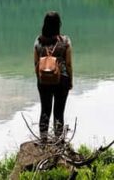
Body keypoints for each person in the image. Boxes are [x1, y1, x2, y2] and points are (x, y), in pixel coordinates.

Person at [33, 11, 73, 140]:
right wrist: (70, 81)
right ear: (58, 25)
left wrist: (40, 79)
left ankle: (43, 141)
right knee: (59, 112)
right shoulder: (65, 41)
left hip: (43, 81)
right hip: (62, 81)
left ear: (44, 24)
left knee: (45, 111)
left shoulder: (38, 41)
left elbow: (35, 64)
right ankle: (58, 143)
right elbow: (68, 64)